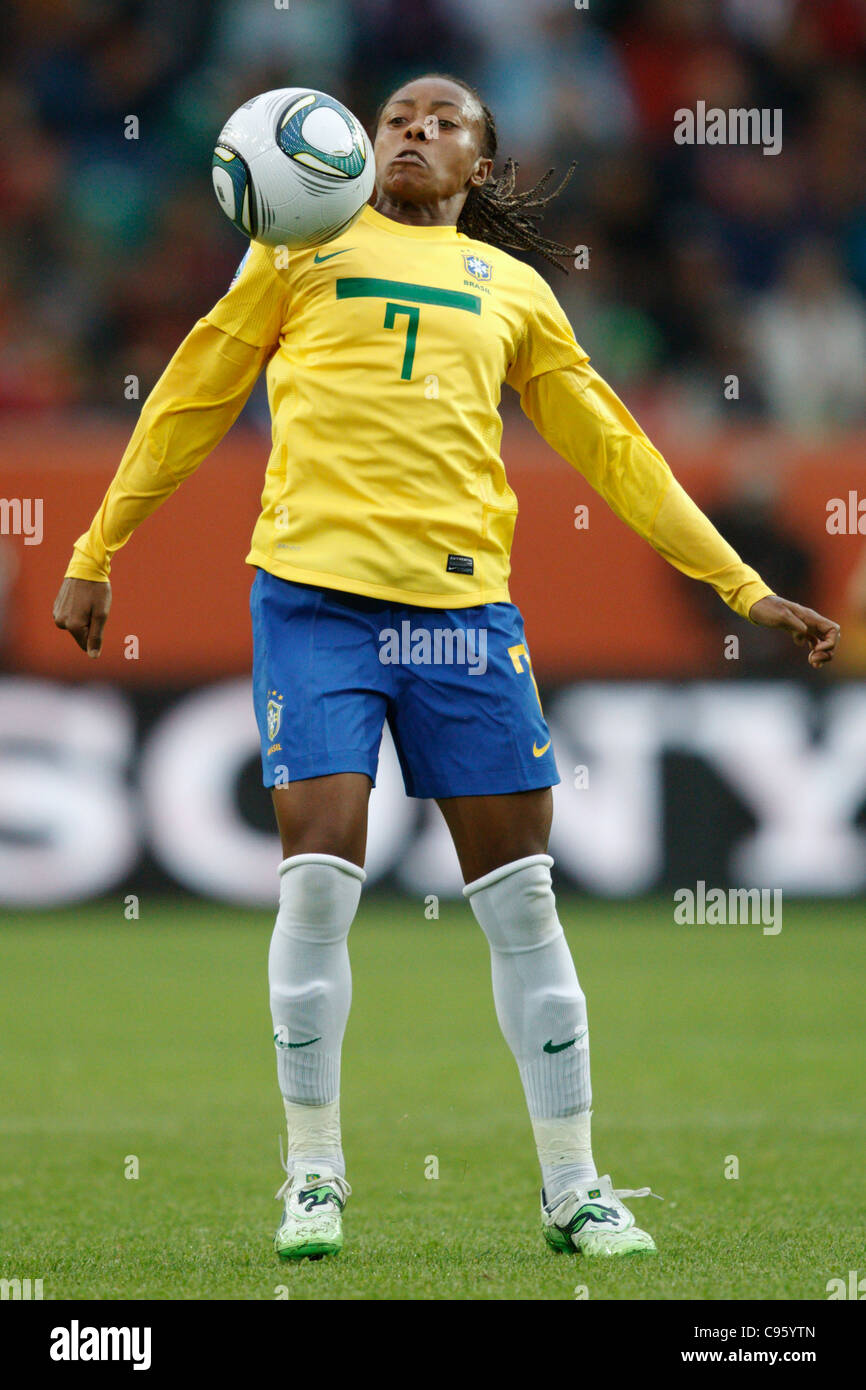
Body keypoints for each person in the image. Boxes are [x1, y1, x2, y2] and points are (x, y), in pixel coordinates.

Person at [53, 73, 841, 1263]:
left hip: (465, 617)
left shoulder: (514, 292)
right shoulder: (296, 246)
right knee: (317, 875)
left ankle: (574, 1188)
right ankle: (311, 1175)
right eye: (395, 122)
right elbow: (188, 398)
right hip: (314, 605)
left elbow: (614, 449)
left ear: (481, 164)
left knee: (521, 902)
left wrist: (740, 584)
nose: (413, 132)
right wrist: (95, 547)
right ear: (361, 150)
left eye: (443, 123)